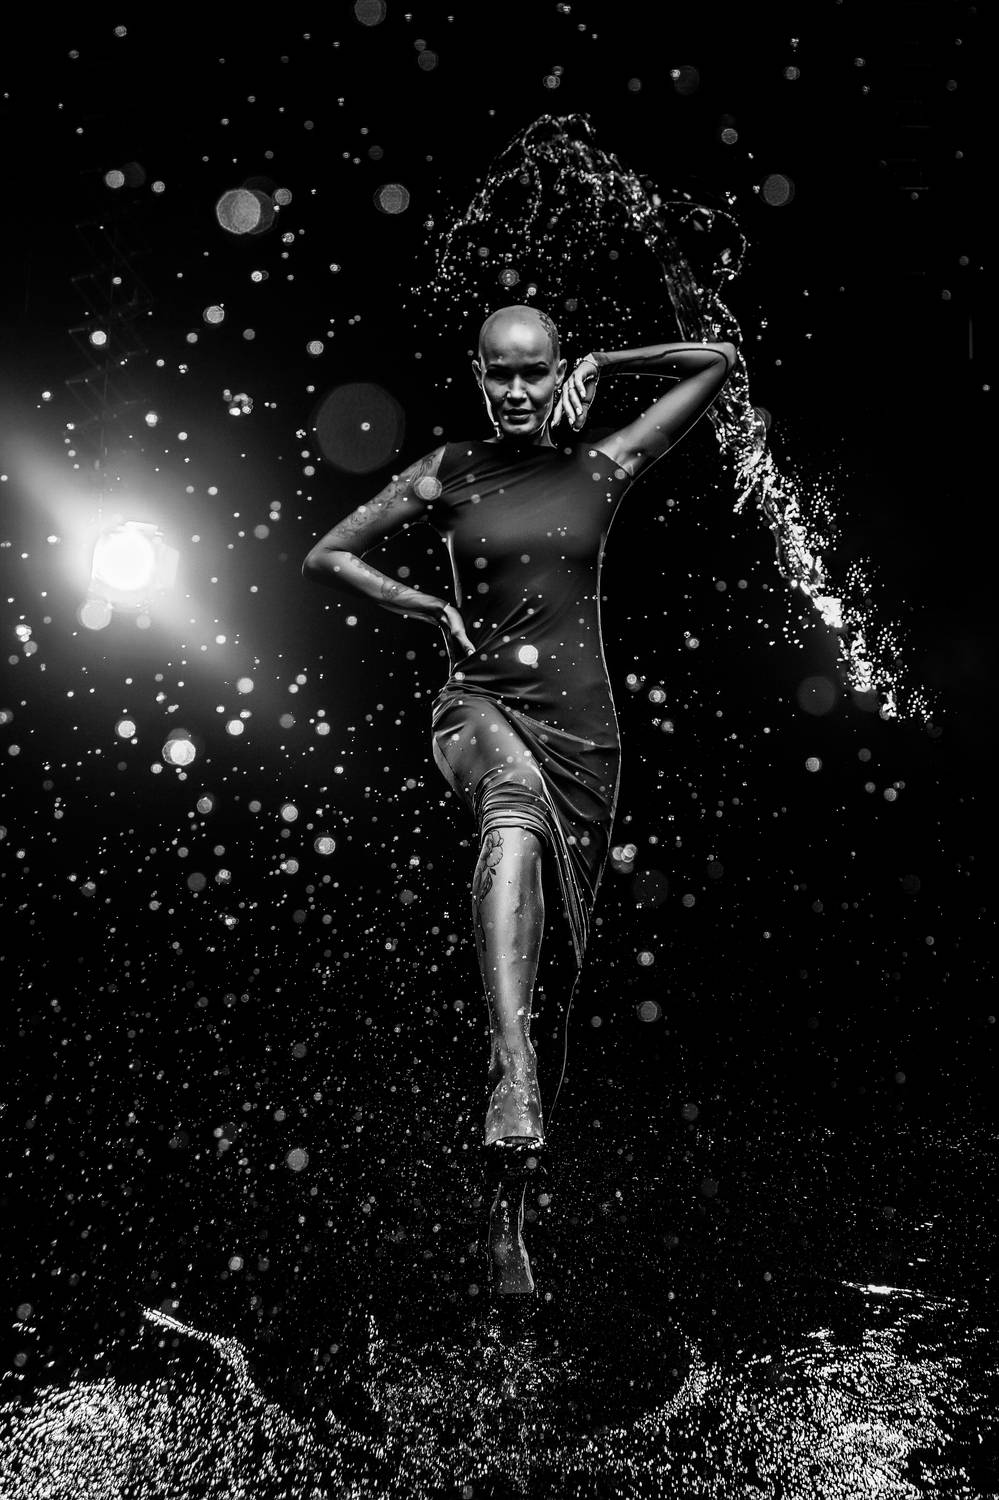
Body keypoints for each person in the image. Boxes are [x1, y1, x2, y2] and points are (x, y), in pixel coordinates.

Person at [303, 306, 735, 1290]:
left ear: (556, 372)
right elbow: (328, 553)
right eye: (498, 371)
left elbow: (718, 359)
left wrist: (611, 358)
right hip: (479, 707)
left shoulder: (605, 463)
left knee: (563, 981)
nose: (515, 390)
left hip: (584, 737)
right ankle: (511, 1067)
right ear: (476, 372)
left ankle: (506, 1221)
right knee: (510, 808)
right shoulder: (447, 469)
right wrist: (425, 605)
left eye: (533, 371)